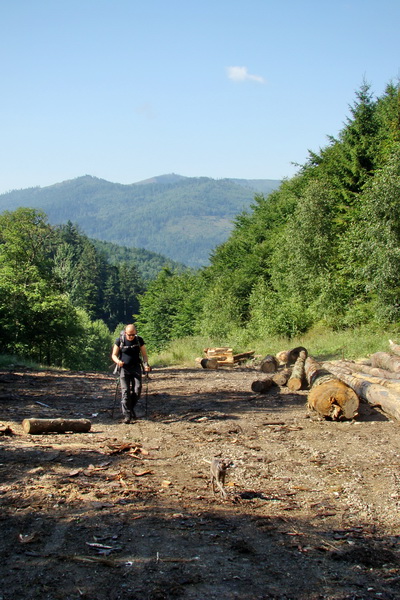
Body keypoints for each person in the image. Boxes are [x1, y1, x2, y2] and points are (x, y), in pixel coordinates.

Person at [111, 324, 151, 423]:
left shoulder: (139, 340)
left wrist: (146, 364)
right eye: (129, 335)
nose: (131, 337)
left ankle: (130, 407)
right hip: (124, 369)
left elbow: (144, 355)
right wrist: (118, 362)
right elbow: (114, 355)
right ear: (125, 333)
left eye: (133, 334)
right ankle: (127, 415)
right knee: (125, 392)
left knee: (137, 389)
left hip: (136, 367)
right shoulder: (119, 340)